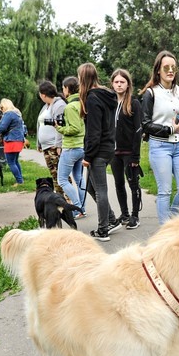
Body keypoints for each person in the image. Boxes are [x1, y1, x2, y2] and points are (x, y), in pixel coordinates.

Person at [141, 50, 179, 224]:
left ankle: (170, 222)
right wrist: (168, 129)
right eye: (166, 67)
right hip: (159, 147)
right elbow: (146, 124)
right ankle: (165, 233)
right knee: (164, 191)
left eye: (173, 67)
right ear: (158, 70)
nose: (171, 70)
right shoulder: (151, 93)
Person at [78, 62, 121, 241]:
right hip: (108, 147)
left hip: (98, 151)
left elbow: (94, 132)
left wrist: (88, 156)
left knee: (100, 190)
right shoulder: (106, 95)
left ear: (83, 78)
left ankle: (103, 229)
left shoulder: (93, 98)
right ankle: (111, 218)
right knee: (91, 187)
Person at [109, 68, 143, 230]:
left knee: (133, 183)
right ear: (112, 84)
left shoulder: (134, 103)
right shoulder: (110, 103)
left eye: (122, 82)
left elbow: (138, 130)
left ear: (128, 84)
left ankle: (135, 215)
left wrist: (136, 156)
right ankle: (125, 213)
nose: (119, 84)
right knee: (118, 183)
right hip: (113, 152)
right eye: (116, 82)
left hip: (129, 152)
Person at [54, 76, 86, 218]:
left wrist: (60, 128)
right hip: (81, 146)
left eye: (63, 88)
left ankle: (77, 207)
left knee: (62, 179)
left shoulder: (70, 107)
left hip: (71, 147)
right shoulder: (81, 103)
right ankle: (82, 208)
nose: (63, 90)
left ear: (67, 89)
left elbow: (75, 128)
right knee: (78, 177)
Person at [36, 81, 67, 194]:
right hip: (46, 146)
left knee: (61, 174)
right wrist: (39, 143)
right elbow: (40, 124)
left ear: (43, 94)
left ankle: (68, 200)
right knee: (54, 174)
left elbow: (60, 125)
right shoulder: (45, 106)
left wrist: (59, 144)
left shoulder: (59, 105)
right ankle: (59, 198)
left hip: (54, 145)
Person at [0, 98, 26, 186]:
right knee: (15, 161)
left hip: (11, 140)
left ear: (4, 106)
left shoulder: (8, 114)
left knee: (11, 162)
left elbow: (3, 127)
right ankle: (21, 179)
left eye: (1, 108)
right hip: (19, 140)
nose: (1, 110)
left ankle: (19, 181)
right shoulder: (17, 114)